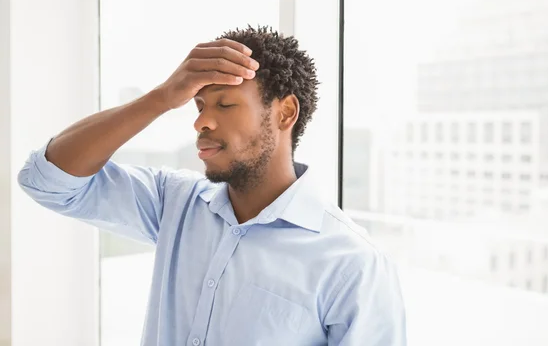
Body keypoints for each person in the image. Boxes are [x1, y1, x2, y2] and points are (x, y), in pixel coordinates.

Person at [18, 26, 406, 345]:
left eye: (225, 105)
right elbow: (47, 180)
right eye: (199, 106)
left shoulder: (353, 264)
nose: (201, 122)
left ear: (285, 112)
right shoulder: (176, 203)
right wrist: (161, 98)